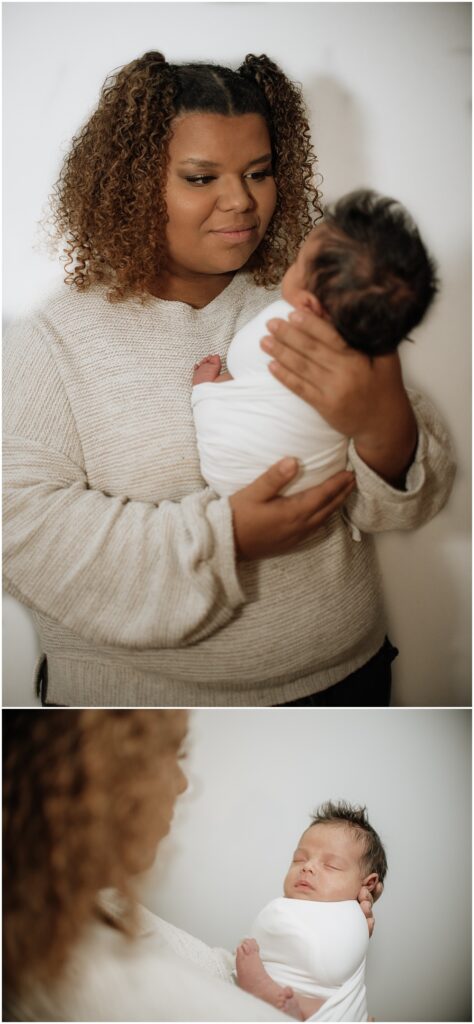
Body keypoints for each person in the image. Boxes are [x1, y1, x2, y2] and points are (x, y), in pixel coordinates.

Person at [3, 51, 455, 707]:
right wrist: (226, 537)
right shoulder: (55, 343)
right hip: (144, 715)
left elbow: (398, 500)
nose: (241, 199)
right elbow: (23, 532)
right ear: (131, 184)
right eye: (199, 176)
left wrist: (387, 427)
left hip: (345, 680)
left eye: (259, 172)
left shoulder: (308, 304)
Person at [2, 711, 378, 1022]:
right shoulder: (97, 984)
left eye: (331, 866)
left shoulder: (87, 906)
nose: (184, 784)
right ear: (106, 772)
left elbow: (215, 968)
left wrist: (339, 939)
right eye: (174, 755)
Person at [192, 188, 438, 497]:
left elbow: (244, 364)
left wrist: (210, 385)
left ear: (307, 304)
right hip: (319, 485)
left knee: (233, 380)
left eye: (298, 263)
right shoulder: (367, 358)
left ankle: (204, 386)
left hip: (230, 471)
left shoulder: (284, 323)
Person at [235, 801, 387, 1022]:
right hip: (303, 998)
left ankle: (266, 989)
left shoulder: (353, 915)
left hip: (336, 1005)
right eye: (299, 859)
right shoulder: (286, 907)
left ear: (368, 884)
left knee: (332, 1008)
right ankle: (273, 993)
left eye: (331, 865)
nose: (307, 867)